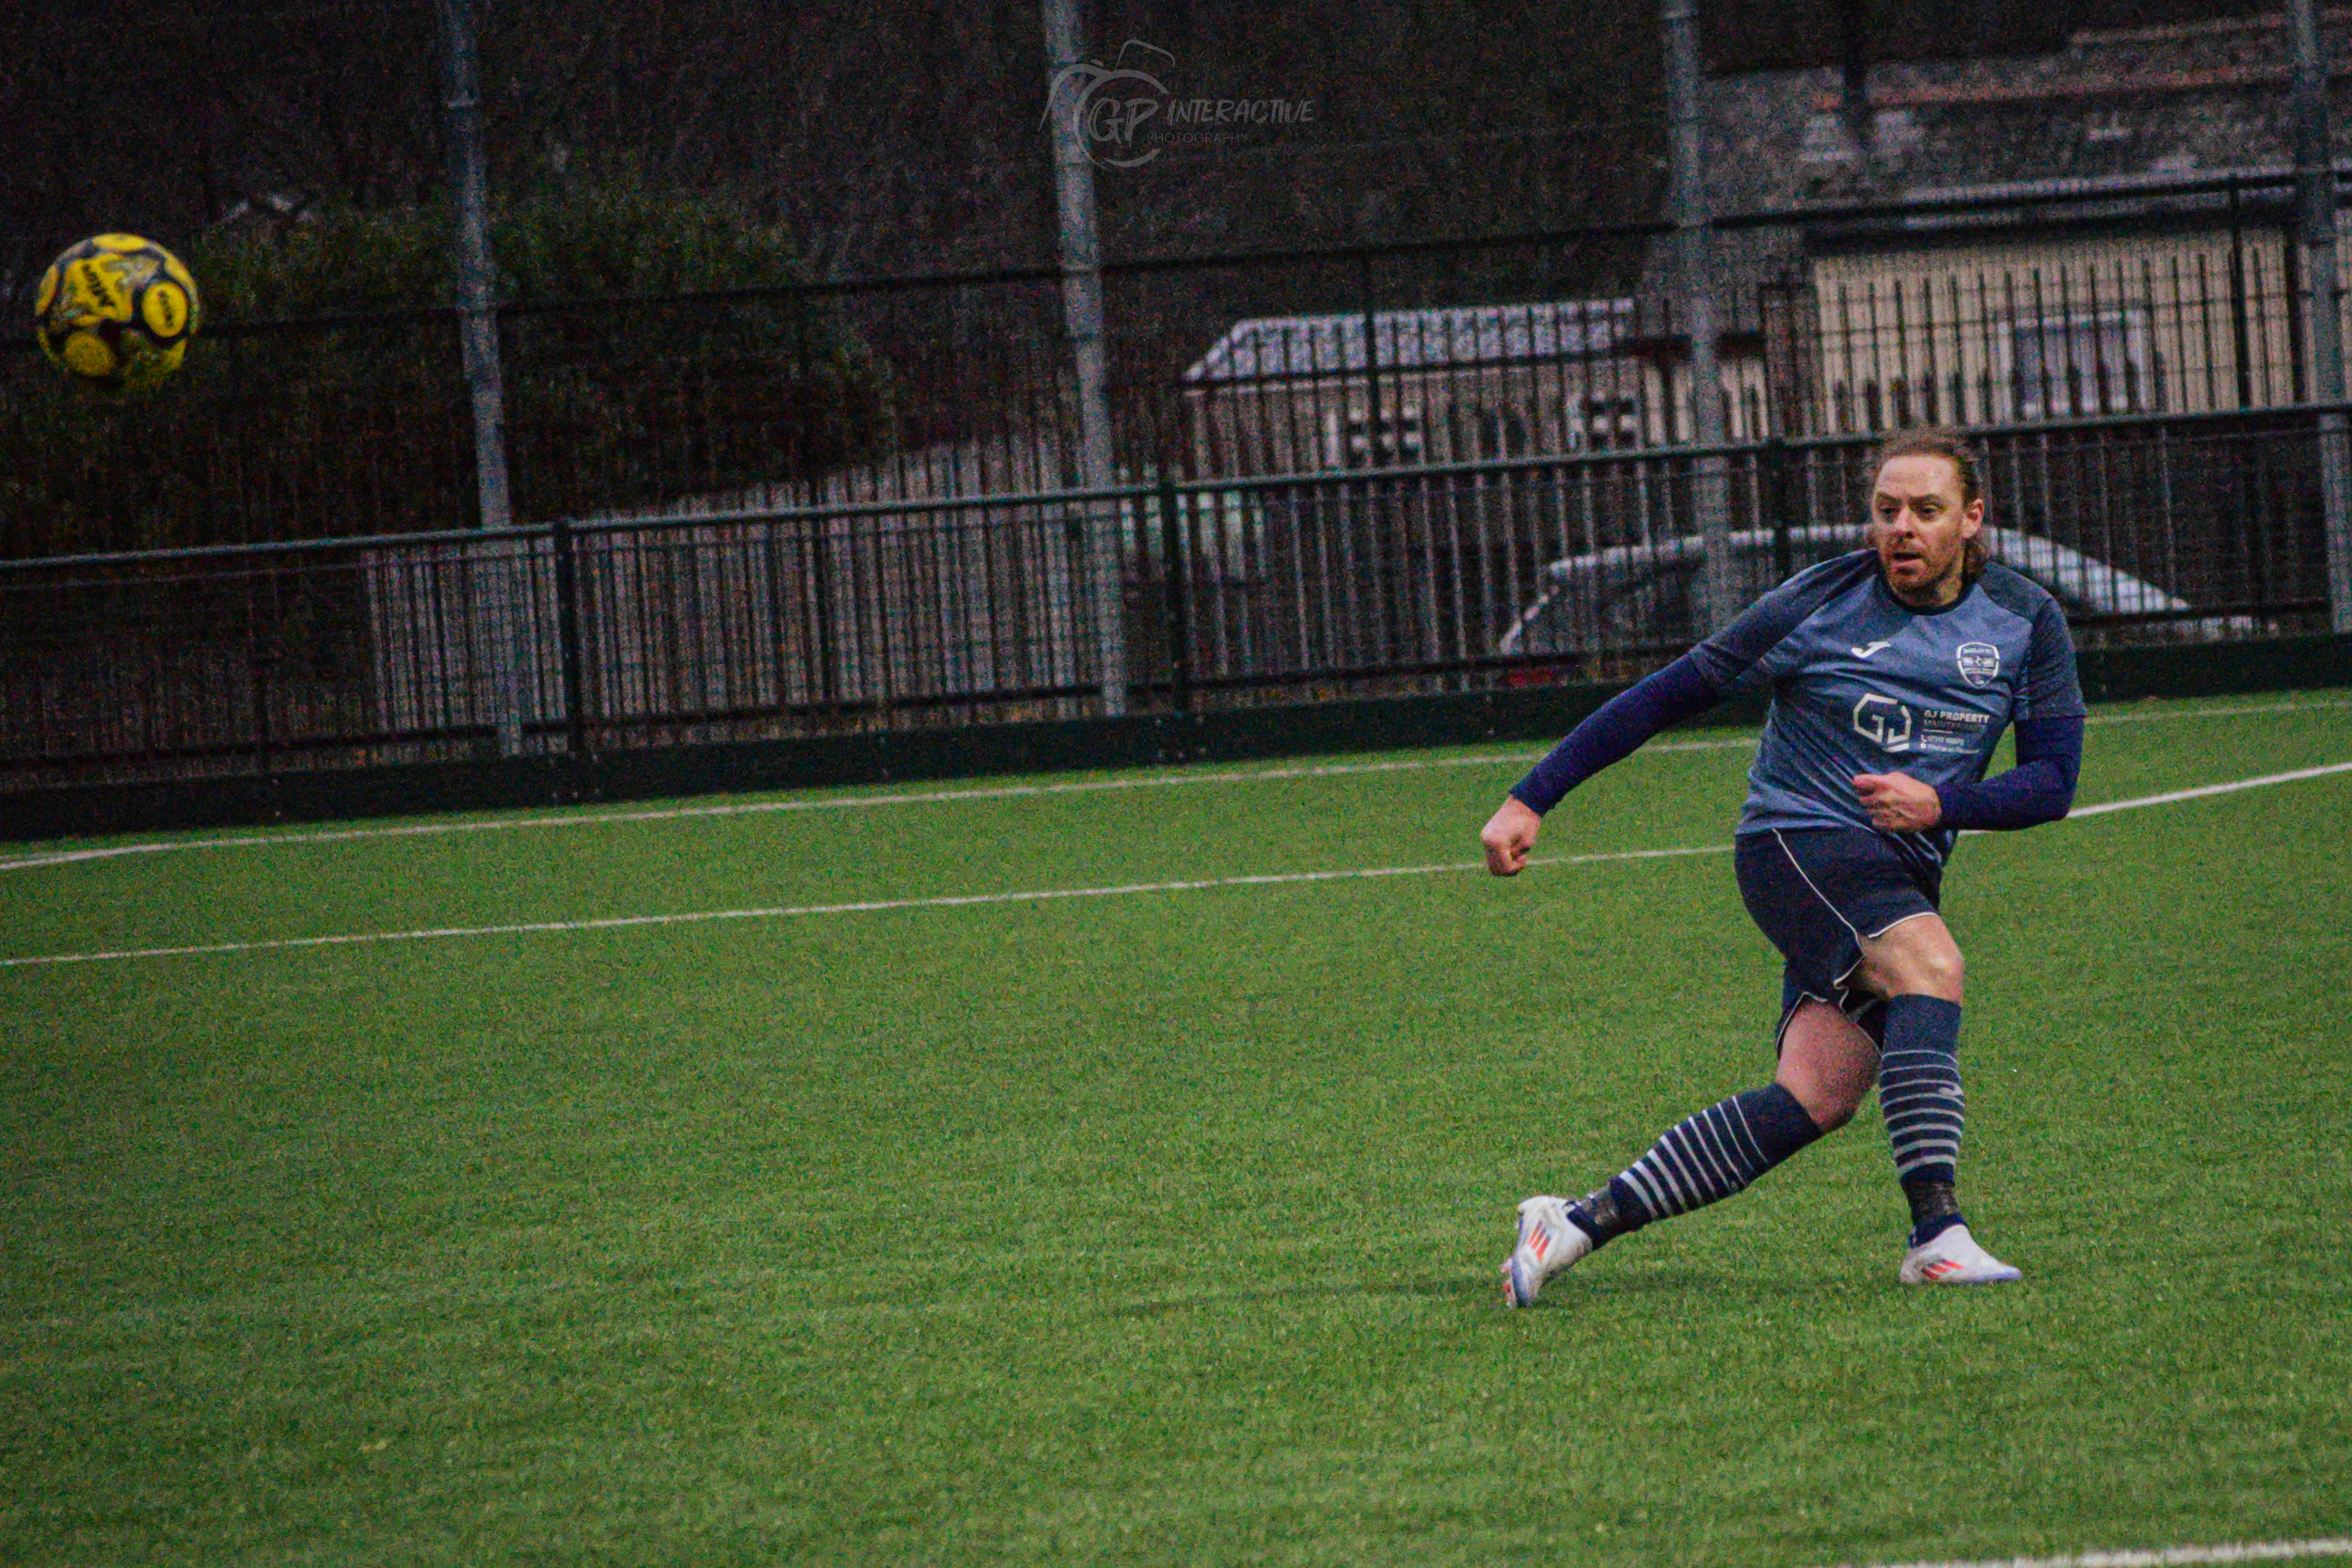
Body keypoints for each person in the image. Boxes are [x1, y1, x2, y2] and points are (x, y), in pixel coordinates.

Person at [1483, 427, 2086, 1307]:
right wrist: (1531, 796)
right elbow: (1665, 694)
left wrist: (1941, 803)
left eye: (1926, 510)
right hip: (1795, 843)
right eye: (1886, 510)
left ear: (1972, 518)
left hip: (1897, 869)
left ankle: (1573, 1222)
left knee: (1815, 1095)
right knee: (1931, 964)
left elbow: (2053, 783)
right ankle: (1936, 1234)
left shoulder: (2027, 620)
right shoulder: (1818, 603)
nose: (1902, 528)